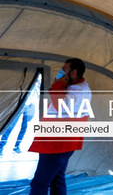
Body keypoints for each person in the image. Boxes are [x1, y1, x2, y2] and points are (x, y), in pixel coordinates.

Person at [29, 58, 91, 195]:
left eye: (64, 69)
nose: (61, 72)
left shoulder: (80, 90)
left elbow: (60, 106)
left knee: (40, 182)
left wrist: (58, 84)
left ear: (73, 72)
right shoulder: (73, 88)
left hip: (58, 143)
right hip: (57, 141)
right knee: (56, 179)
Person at [0, 89, 37, 155]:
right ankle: (1, 147)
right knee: (10, 127)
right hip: (21, 104)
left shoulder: (40, 82)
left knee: (24, 128)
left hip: (31, 105)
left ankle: (17, 146)